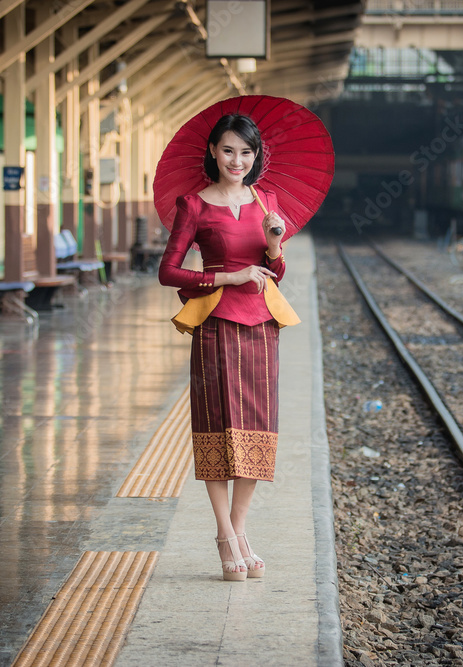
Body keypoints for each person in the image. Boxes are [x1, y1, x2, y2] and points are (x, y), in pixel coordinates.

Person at [158, 113, 298, 581]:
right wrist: (227, 275)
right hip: (215, 324)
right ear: (213, 152)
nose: (237, 160)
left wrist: (275, 247)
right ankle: (223, 534)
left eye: (246, 152)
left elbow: (275, 274)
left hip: (262, 328)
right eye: (228, 150)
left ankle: (239, 529)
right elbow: (169, 271)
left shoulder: (268, 202)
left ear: (256, 156)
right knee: (218, 426)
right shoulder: (193, 205)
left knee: (258, 430)